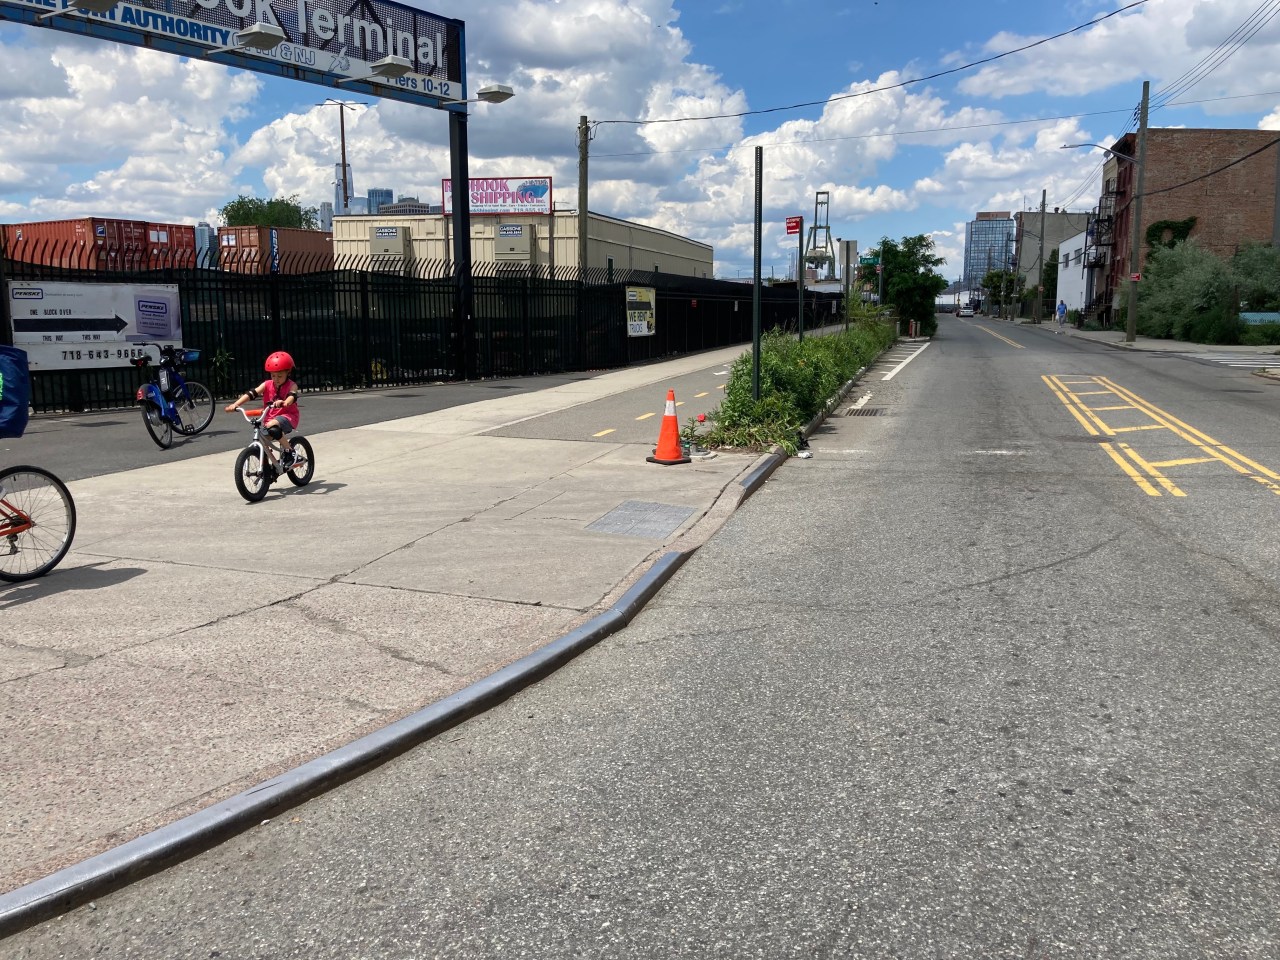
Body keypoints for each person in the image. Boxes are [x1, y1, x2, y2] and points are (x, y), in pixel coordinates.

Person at [224, 351, 300, 465]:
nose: (276, 379)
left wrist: (285, 402)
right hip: (269, 419)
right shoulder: (267, 384)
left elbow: (292, 395)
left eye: (280, 376)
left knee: (273, 427)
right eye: (273, 375)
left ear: (288, 372)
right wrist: (236, 405)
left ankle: (291, 453)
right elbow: (251, 394)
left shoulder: (291, 385)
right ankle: (266, 469)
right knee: (262, 442)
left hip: (288, 417)